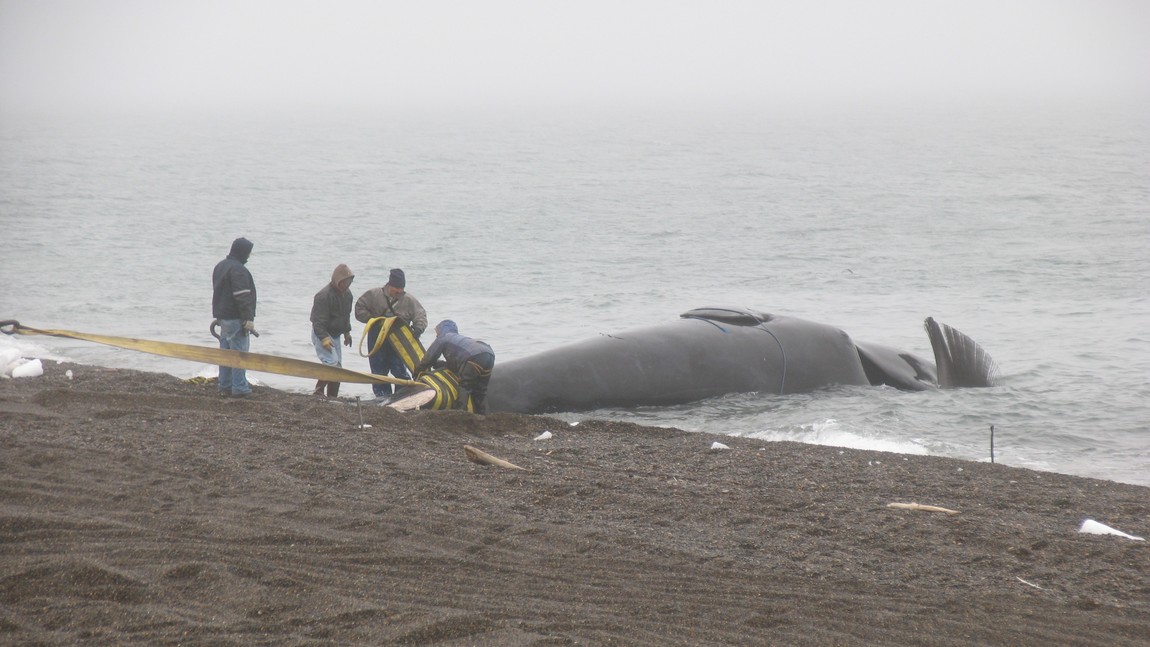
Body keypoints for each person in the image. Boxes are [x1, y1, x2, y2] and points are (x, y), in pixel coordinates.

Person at [354, 268, 427, 399]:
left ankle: (402, 397)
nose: (399, 291)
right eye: (396, 288)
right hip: (377, 339)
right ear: (389, 285)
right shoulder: (374, 295)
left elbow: (421, 315)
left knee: (400, 371)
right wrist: (372, 319)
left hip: (399, 340)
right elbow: (359, 308)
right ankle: (382, 398)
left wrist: (418, 329)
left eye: (401, 288)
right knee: (378, 372)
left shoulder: (409, 300)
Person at [415, 320, 495, 414]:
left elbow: (428, 358)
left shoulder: (444, 337)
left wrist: (417, 372)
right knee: (480, 391)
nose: (436, 335)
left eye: (437, 332)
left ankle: (460, 413)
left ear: (441, 330)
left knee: (465, 386)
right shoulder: (459, 340)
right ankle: (485, 415)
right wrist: (439, 364)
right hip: (489, 354)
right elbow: (456, 363)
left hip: (473, 357)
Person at [212, 237, 257, 398]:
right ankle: (239, 387)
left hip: (223, 317)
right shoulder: (238, 270)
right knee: (239, 354)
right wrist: (248, 318)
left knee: (225, 353)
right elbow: (242, 296)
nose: (249, 256)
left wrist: (219, 315)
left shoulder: (220, 266)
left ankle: (224, 384)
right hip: (236, 318)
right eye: (248, 252)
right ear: (242, 252)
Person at [310, 263, 355, 399]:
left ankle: (332, 396)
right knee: (331, 363)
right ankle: (318, 392)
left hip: (336, 334)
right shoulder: (323, 296)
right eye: (344, 282)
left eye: (349, 282)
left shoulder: (348, 295)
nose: (346, 285)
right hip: (322, 333)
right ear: (337, 280)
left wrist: (347, 333)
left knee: (338, 367)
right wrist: (324, 338)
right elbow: (317, 321)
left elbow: (346, 316)